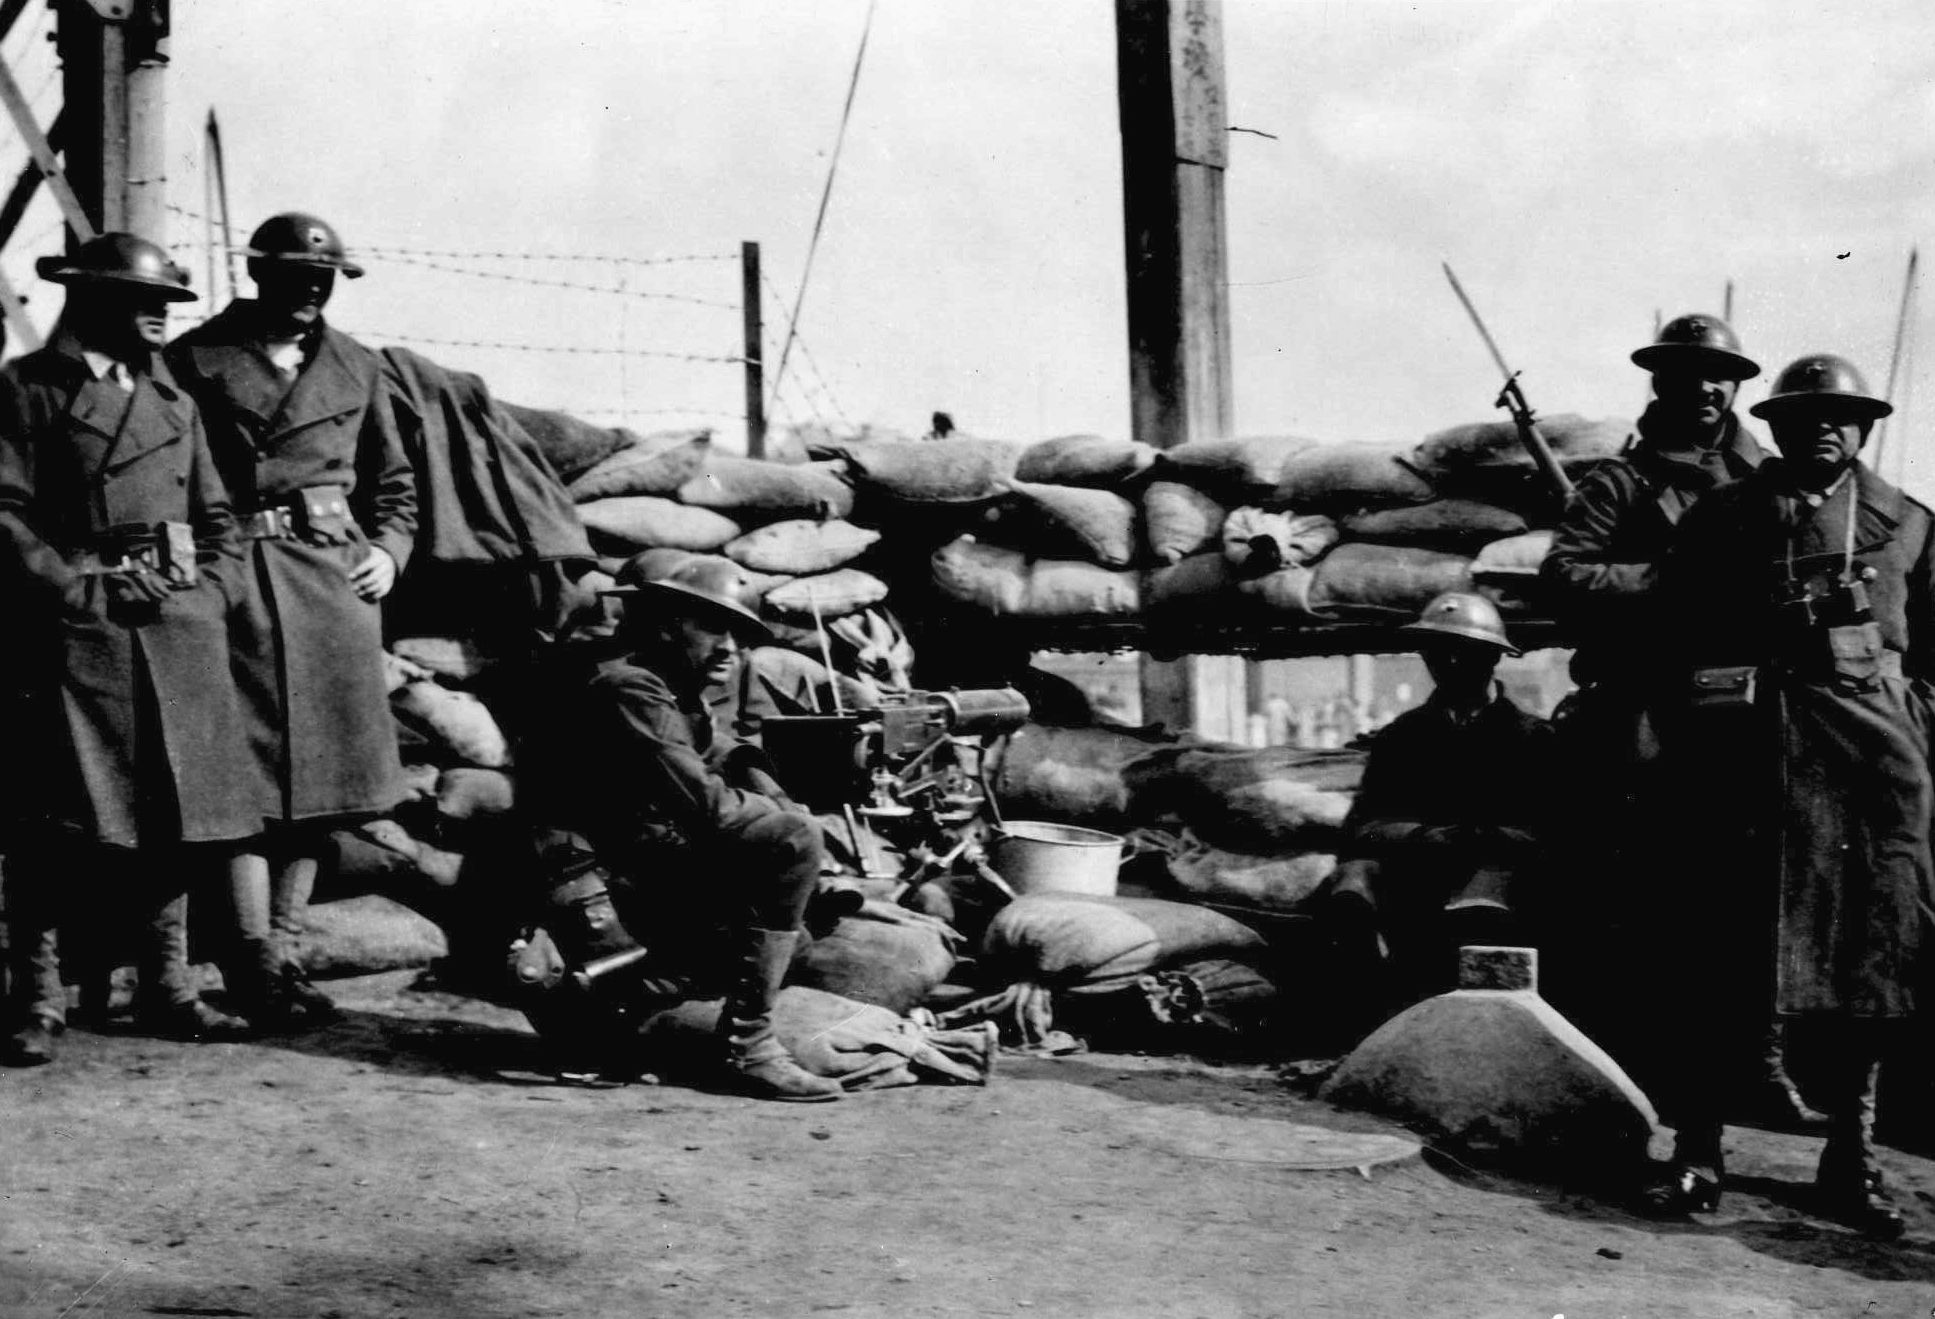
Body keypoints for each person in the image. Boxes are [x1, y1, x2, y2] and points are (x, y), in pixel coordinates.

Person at [1647, 353, 1935, 1237]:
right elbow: (1670, 637)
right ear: (1768, 427)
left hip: (1868, 770)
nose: (1825, 426)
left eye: (1842, 413)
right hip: (1746, 759)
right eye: (1805, 413)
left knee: (1873, 954)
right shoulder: (1721, 517)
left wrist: (1900, 719)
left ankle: (1850, 1154)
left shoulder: (1910, 526)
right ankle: (1698, 1146)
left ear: (1865, 426)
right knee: (1719, 951)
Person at [1540, 315, 1819, 1126]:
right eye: (1687, 372)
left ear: (1736, 386)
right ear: (1659, 384)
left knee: (1764, 886)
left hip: (1749, 704)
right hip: (1651, 705)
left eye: (1719, 373)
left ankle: (1761, 1065)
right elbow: (1565, 574)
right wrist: (1669, 580)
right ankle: (1645, 1068)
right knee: (1650, 891)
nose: (1704, 387)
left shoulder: (1768, 475)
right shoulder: (1620, 483)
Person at [0, 233, 266, 1063]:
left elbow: (220, 521)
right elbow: (4, 515)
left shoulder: (176, 403)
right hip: (77, 632)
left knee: (175, 809)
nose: (162, 315)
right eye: (142, 299)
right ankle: (37, 998)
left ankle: (168, 985)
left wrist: (209, 596)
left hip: (178, 631)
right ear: (89, 302)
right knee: (50, 819)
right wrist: (82, 590)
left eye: (168, 301)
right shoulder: (27, 390)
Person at [165, 212, 416, 1027]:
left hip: (331, 588)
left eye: (326, 278)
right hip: (235, 580)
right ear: (256, 273)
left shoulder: (358, 367)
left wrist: (390, 550)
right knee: (238, 782)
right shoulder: (194, 360)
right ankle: (251, 963)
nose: (313, 290)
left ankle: (286, 949)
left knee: (324, 784)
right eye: (297, 276)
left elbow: (395, 486)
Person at [520, 555, 842, 1101]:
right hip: (596, 878)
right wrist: (792, 823)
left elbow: (710, 749)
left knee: (803, 924)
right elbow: (709, 807)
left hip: (637, 864)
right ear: (667, 623)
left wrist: (762, 779)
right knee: (794, 845)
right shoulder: (628, 687)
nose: (729, 649)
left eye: (739, 636)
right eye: (714, 627)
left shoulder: (665, 684)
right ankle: (749, 1047)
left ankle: (606, 1003)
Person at [1321, 592, 1556, 1014]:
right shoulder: (1403, 736)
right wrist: (1422, 838)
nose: (1447, 664)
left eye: (1462, 653)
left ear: (1492, 658)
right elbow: (1362, 827)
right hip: (1417, 877)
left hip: (1503, 887)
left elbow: (1561, 831)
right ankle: (1370, 1017)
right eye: (1436, 653)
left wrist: (1484, 839)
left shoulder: (1533, 738)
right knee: (1349, 887)